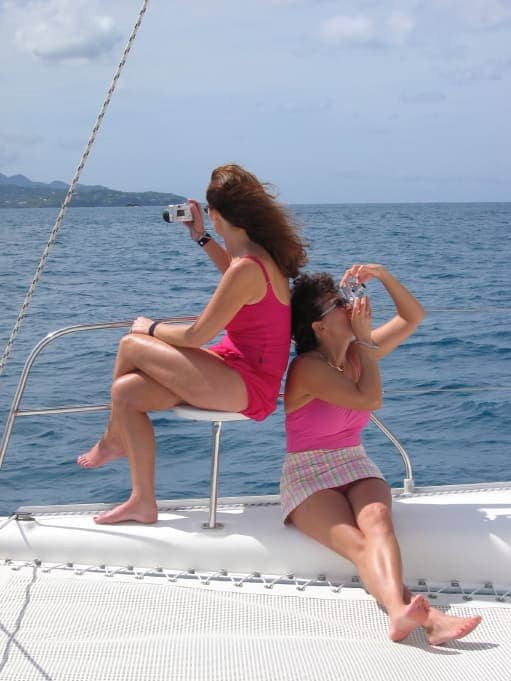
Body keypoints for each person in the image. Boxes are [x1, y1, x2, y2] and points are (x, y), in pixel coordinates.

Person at [77, 164, 307, 524]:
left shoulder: (247, 267)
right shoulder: (258, 257)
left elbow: (196, 335)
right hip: (235, 370)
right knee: (126, 393)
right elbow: (233, 272)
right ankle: (142, 500)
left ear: (216, 214)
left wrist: (150, 327)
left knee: (132, 343)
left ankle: (112, 439)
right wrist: (200, 238)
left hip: (248, 384)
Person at [281, 263, 481, 645]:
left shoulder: (358, 351)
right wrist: (367, 346)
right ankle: (421, 616)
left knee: (377, 521)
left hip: (354, 460)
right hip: (307, 472)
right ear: (319, 327)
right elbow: (370, 399)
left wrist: (384, 275)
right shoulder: (306, 368)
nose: (348, 307)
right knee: (357, 544)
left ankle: (404, 615)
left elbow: (413, 316)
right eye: (336, 305)